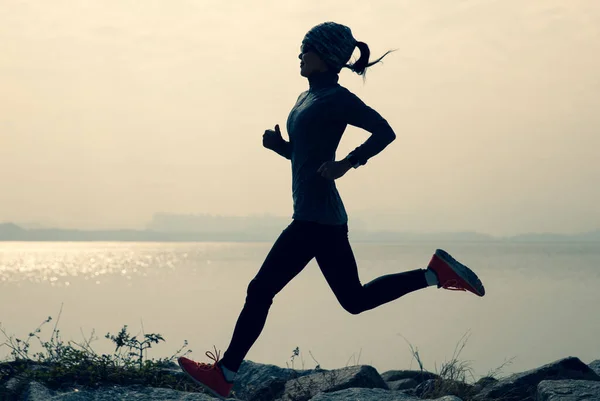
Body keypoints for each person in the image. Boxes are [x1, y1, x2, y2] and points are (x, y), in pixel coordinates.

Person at [178, 21, 485, 399]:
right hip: (321, 217)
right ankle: (435, 274)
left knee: (260, 289)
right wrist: (281, 148)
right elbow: (305, 154)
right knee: (353, 300)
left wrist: (347, 163)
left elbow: (384, 131)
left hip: (315, 219)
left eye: (306, 50)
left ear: (325, 58)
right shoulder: (305, 98)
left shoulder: (338, 98)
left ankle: (225, 373)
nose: (299, 56)